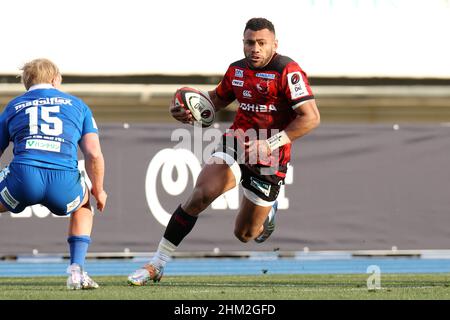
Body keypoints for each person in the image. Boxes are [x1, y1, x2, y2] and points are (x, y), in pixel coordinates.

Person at [128, 17, 320, 285]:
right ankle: (157, 263)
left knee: (245, 234)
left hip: (269, 156)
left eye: (261, 43)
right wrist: (188, 110)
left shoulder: (288, 71)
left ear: (274, 44)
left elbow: (310, 117)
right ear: (243, 43)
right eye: (250, 42)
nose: (255, 48)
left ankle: (269, 213)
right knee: (201, 194)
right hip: (237, 142)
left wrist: (270, 143)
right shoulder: (237, 70)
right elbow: (216, 100)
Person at [0, 58, 107, 289]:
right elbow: (94, 154)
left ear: (26, 84)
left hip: (23, 180)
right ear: (55, 79)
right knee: (83, 206)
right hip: (64, 183)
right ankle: (77, 272)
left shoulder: (13, 106)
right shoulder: (78, 105)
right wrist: (98, 189)